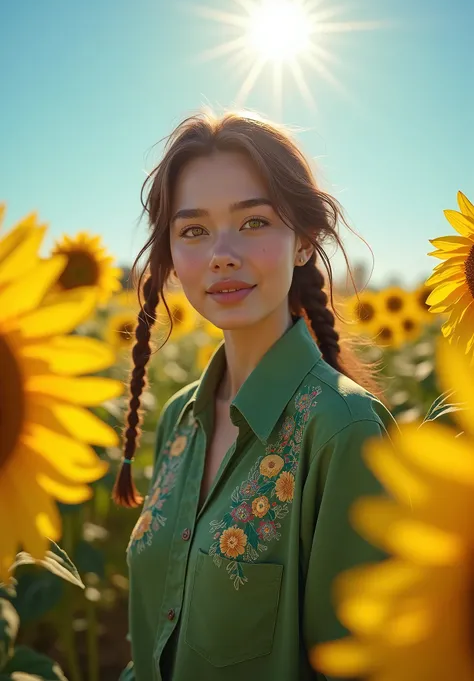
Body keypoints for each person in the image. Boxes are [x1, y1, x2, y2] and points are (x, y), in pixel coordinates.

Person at [115, 109, 398, 681]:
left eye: (253, 222)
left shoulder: (345, 432)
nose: (222, 253)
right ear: (172, 258)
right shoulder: (179, 418)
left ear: (303, 240)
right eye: (193, 230)